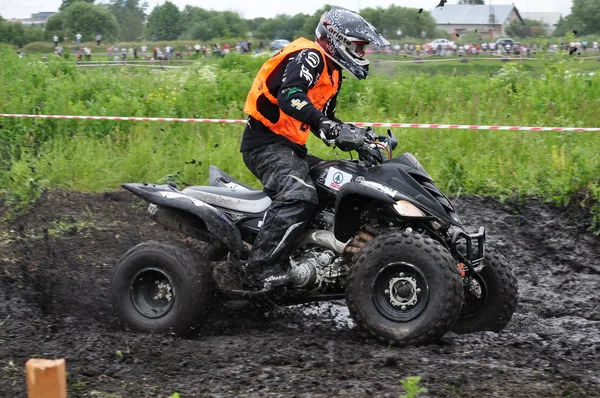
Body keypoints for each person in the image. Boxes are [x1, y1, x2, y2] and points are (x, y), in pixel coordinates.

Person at [216, 7, 389, 292]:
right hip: (265, 145)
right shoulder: (310, 55)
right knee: (299, 195)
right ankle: (259, 268)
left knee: (338, 183)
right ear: (337, 40)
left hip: (290, 148)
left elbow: (325, 119)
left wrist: (360, 139)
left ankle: (314, 255)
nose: (362, 53)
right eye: (358, 46)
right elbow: (291, 96)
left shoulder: (333, 73)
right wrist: (325, 126)